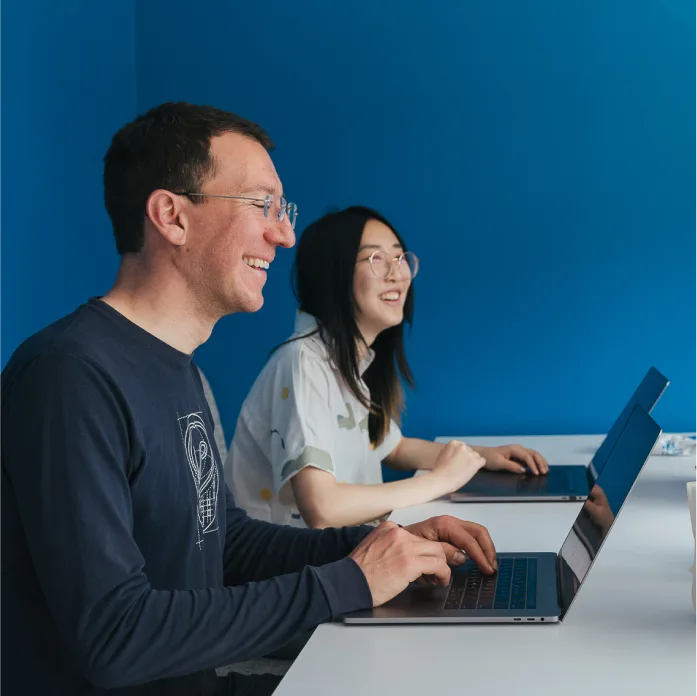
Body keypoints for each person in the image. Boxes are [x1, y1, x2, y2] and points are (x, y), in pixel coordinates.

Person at [0, 103, 498, 696]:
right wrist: (350, 581)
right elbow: (115, 635)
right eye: (262, 206)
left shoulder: (183, 374)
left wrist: (379, 547)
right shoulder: (69, 377)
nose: (284, 233)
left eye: (280, 211)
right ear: (171, 217)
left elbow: (224, 542)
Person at [226, 206, 549, 529]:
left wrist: (481, 457)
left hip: (343, 558)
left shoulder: (349, 359)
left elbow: (392, 447)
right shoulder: (302, 362)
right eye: (376, 259)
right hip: (293, 573)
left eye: (399, 258)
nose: (397, 273)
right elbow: (321, 508)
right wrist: (439, 481)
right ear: (333, 275)